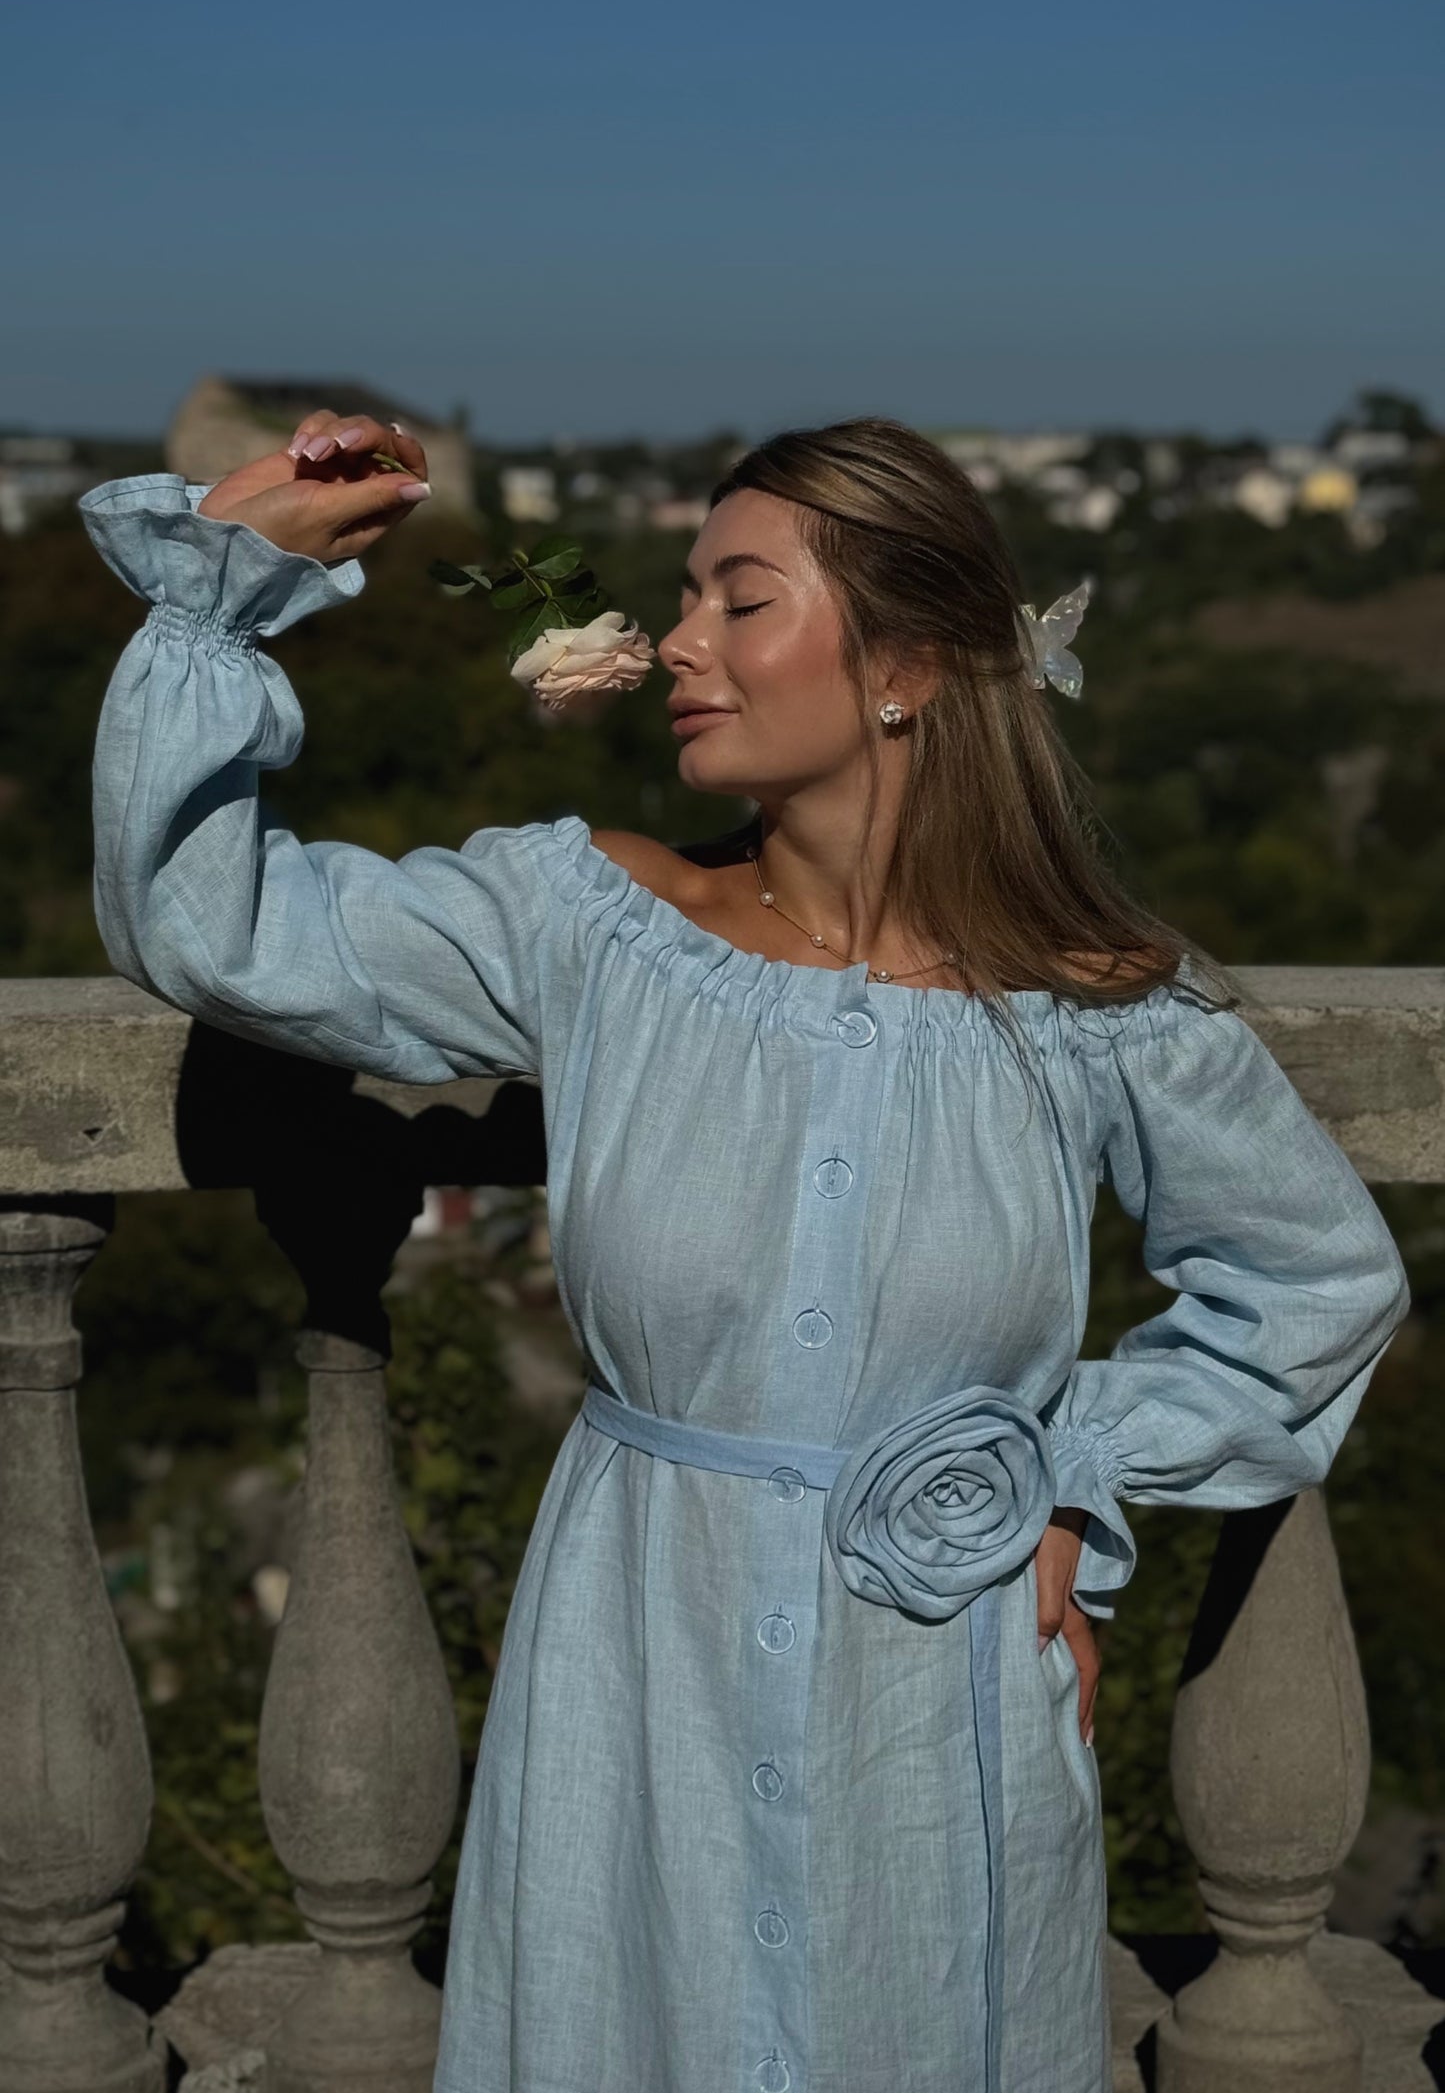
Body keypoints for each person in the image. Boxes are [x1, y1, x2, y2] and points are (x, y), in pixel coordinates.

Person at [80, 410, 1409, 2093]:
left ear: (904, 665)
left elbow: (1313, 1282)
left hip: (937, 1721)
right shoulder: (590, 927)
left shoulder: (1098, 1011)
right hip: (637, 1684)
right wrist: (228, 575)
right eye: (680, 600)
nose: (679, 648)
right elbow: (203, 918)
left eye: (738, 600)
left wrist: (1076, 1465)